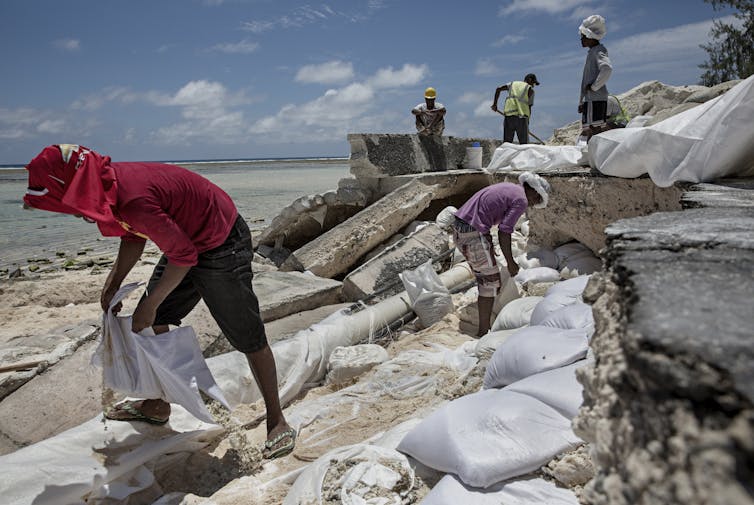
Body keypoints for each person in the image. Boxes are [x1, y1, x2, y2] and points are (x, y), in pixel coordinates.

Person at [22, 144, 296, 459]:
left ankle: (277, 420)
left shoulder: (133, 198)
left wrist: (149, 304)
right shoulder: (105, 185)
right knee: (150, 321)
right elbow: (132, 235)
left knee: (246, 334)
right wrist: (113, 283)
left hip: (222, 241)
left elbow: (183, 256)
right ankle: (158, 402)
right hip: (187, 239)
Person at [452, 172, 550, 337]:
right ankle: (483, 333)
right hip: (471, 232)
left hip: (462, 227)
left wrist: (488, 244)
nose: (532, 204)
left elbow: (486, 213)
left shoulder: (511, 189)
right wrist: (511, 262)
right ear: (533, 191)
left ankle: (485, 325)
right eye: (537, 200)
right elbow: (504, 231)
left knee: (487, 274)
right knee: (489, 282)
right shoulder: (521, 199)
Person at [578, 14, 613, 142]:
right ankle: (594, 153)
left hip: (595, 98)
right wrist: (582, 102)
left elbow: (607, 69)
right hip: (591, 99)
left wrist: (594, 87)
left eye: (583, 36)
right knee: (590, 128)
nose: (581, 39)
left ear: (590, 37)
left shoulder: (598, 51)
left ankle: (595, 153)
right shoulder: (593, 52)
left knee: (594, 129)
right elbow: (586, 80)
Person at [491, 73, 540, 144]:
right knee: (524, 145)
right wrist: (528, 121)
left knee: (507, 144)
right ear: (529, 80)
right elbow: (529, 107)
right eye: (533, 83)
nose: (533, 85)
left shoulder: (513, 84)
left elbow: (498, 89)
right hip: (522, 118)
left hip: (509, 117)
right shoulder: (530, 90)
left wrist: (495, 105)